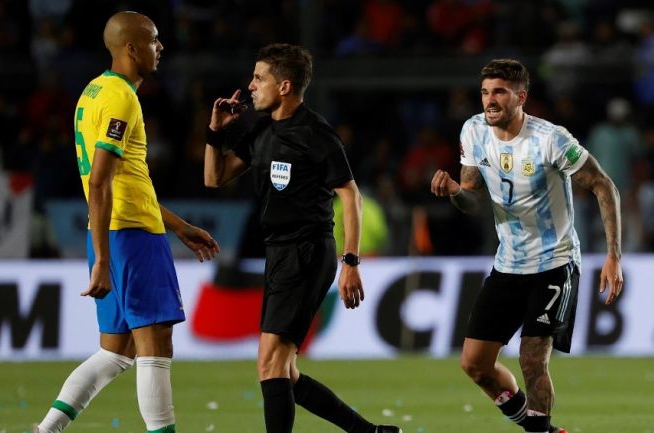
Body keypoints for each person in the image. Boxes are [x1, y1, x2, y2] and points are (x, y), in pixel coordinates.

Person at [35, 11, 220, 433]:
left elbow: (124, 181)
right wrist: (103, 258)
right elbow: (99, 182)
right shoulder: (121, 98)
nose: (161, 47)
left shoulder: (93, 92)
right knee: (156, 347)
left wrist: (176, 224)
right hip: (130, 237)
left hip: (119, 231)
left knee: (116, 353)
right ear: (132, 48)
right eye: (154, 40)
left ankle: (46, 430)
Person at [202, 43, 401, 433]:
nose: (251, 85)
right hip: (277, 254)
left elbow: (351, 195)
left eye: (260, 78)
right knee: (284, 372)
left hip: (307, 252)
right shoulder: (262, 129)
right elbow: (214, 178)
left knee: (270, 364)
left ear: (285, 86)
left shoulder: (315, 133)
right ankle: (369, 432)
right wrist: (215, 133)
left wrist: (351, 262)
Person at [430, 59, 623, 433]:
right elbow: (472, 200)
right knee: (474, 364)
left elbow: (604, 185)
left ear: (521, 96)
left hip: (554, 262)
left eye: (499, 92)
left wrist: (614, 256)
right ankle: (542, 430)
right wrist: (456, 191)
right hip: (508, 264)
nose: (490, 100)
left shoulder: (550, 139)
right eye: (485, 92)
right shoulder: (473, 131)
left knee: (532, 359)